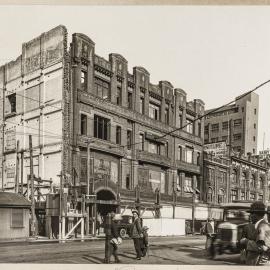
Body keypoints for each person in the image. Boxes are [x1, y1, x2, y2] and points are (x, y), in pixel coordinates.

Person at [245, 201, 270, 266]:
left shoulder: (263, 226)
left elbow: (262, 247)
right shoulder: (259, 225)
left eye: (251, 213)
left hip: (258, 263)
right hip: (254, 262)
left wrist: (246, 241)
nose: (250, 216)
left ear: (256, 214)